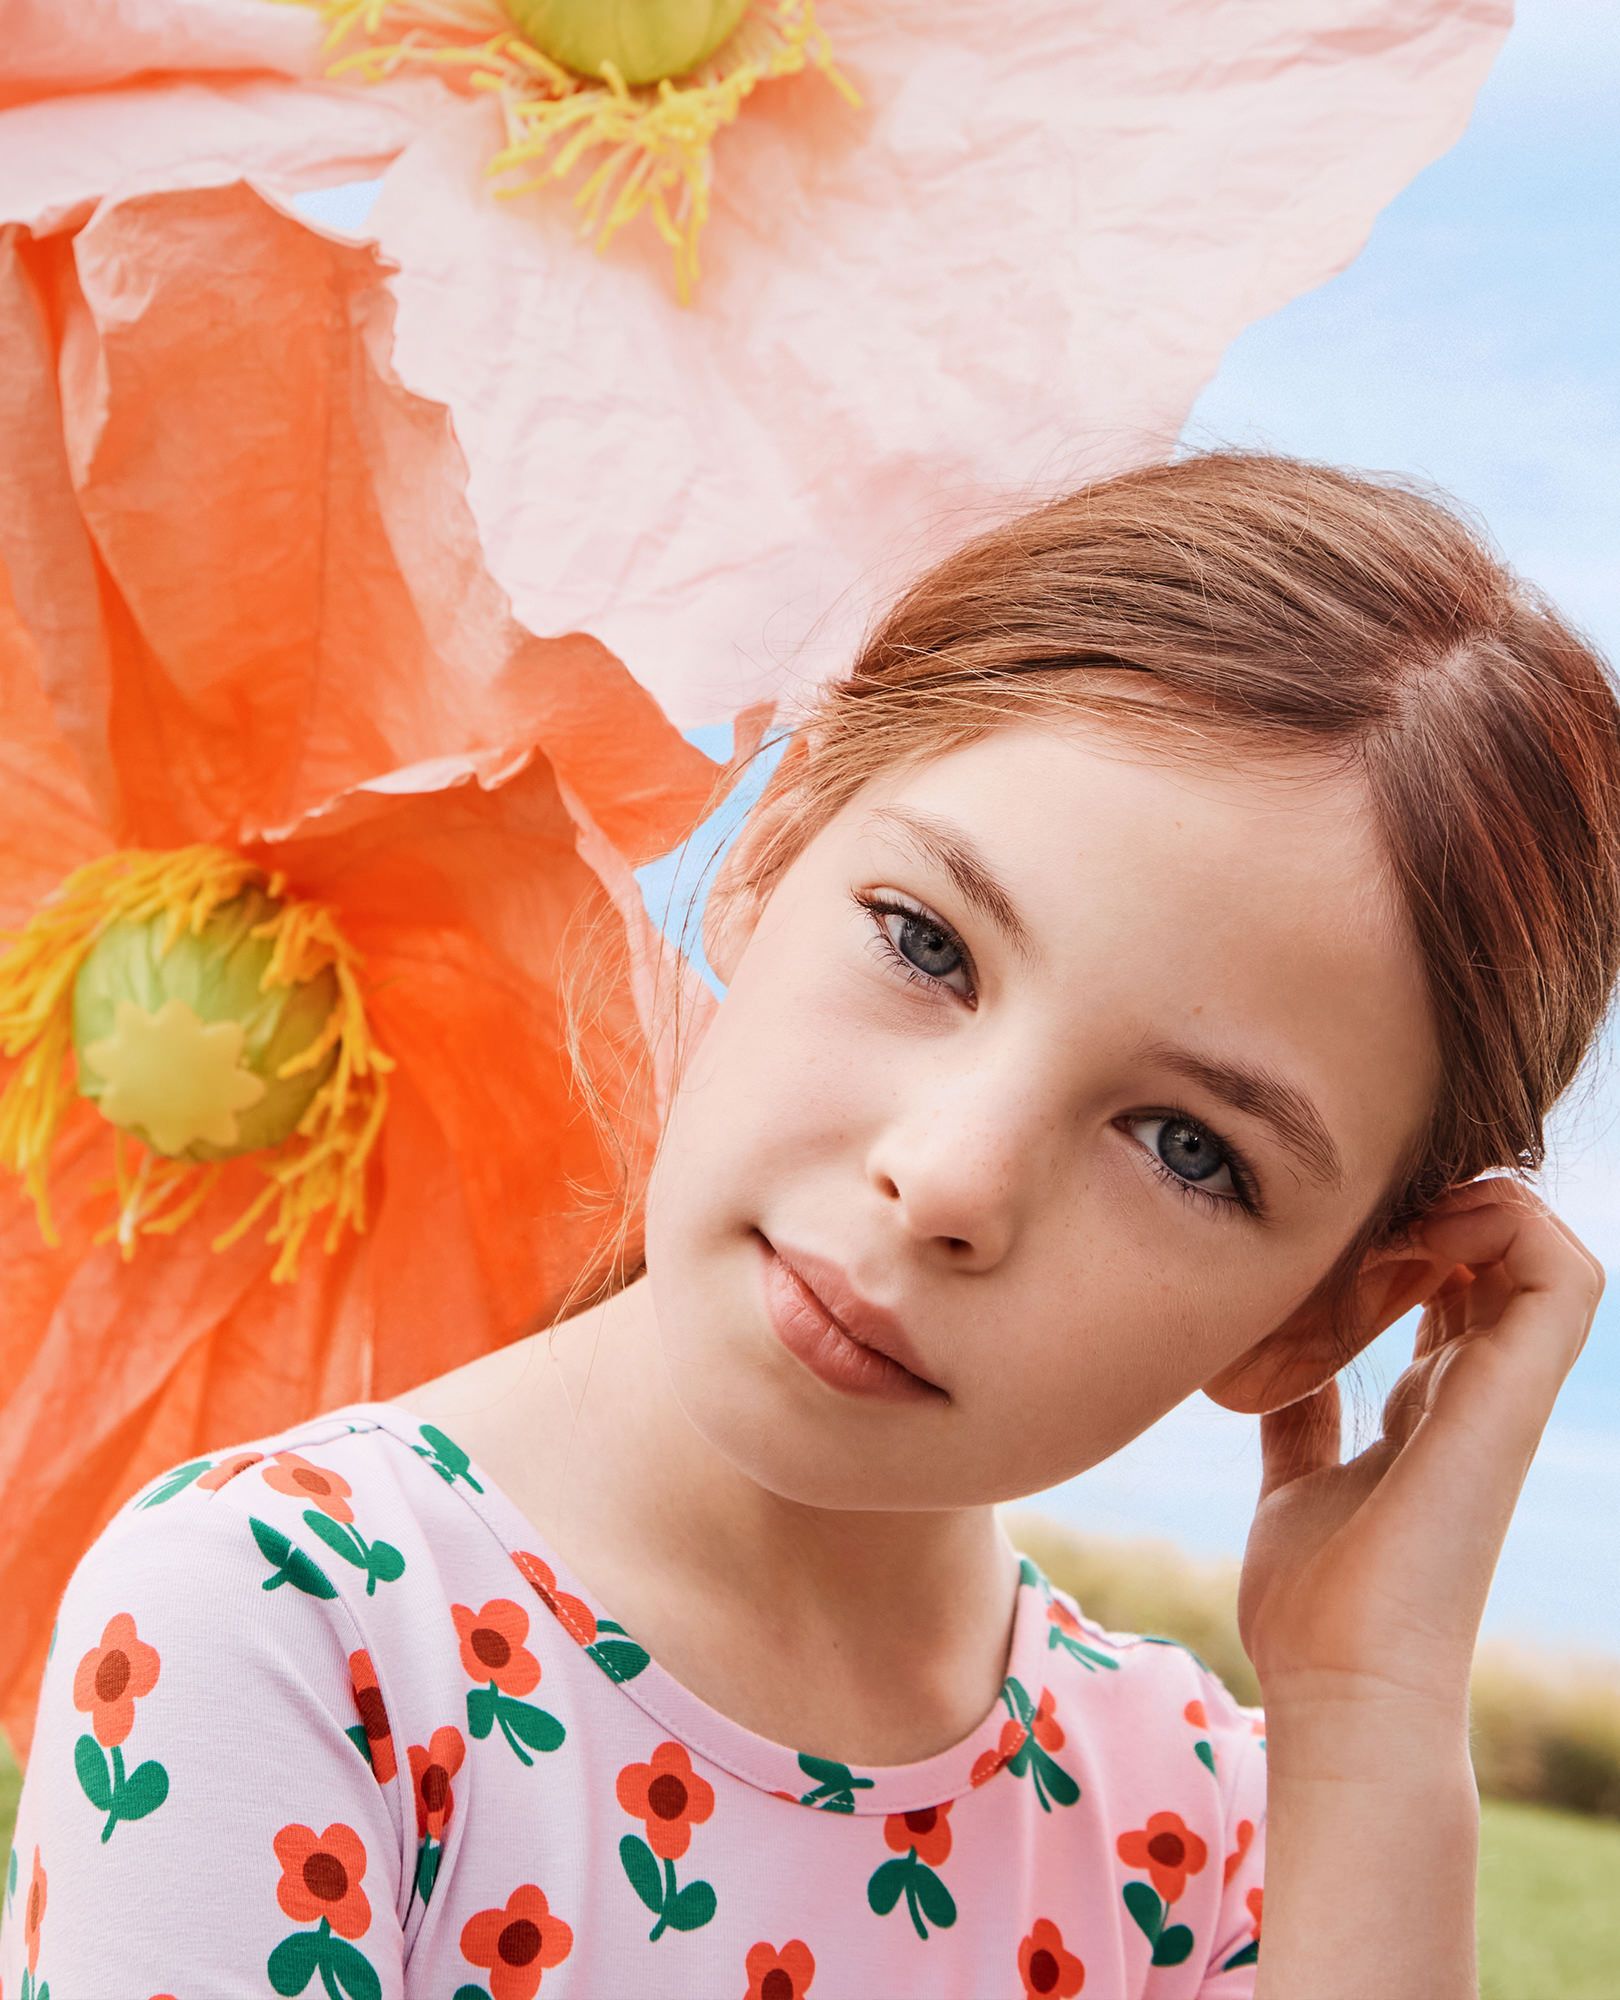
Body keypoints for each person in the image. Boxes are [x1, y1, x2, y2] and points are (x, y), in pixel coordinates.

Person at [2, 450, 1614, 2000]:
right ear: (770, 851)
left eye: (1188, 1147)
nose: (953, 1180)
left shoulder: (1222, 1836)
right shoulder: (291, 1628)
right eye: (926, 942)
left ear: (1321, 1316)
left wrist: (1372, 1712)